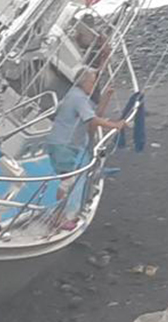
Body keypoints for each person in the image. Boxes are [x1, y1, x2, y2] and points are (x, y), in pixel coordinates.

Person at [47, 67, 125, 229]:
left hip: (60, 143)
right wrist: (115, 125)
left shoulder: (77, 96)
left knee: (67, 180)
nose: (94, 85)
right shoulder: (78, 98)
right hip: (64, 144)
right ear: (83, 82)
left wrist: (106, 98)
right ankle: (57, 217)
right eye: (92, 81)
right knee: (67, 181)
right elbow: (93, 120)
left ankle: (59, 214)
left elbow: (95, 114)